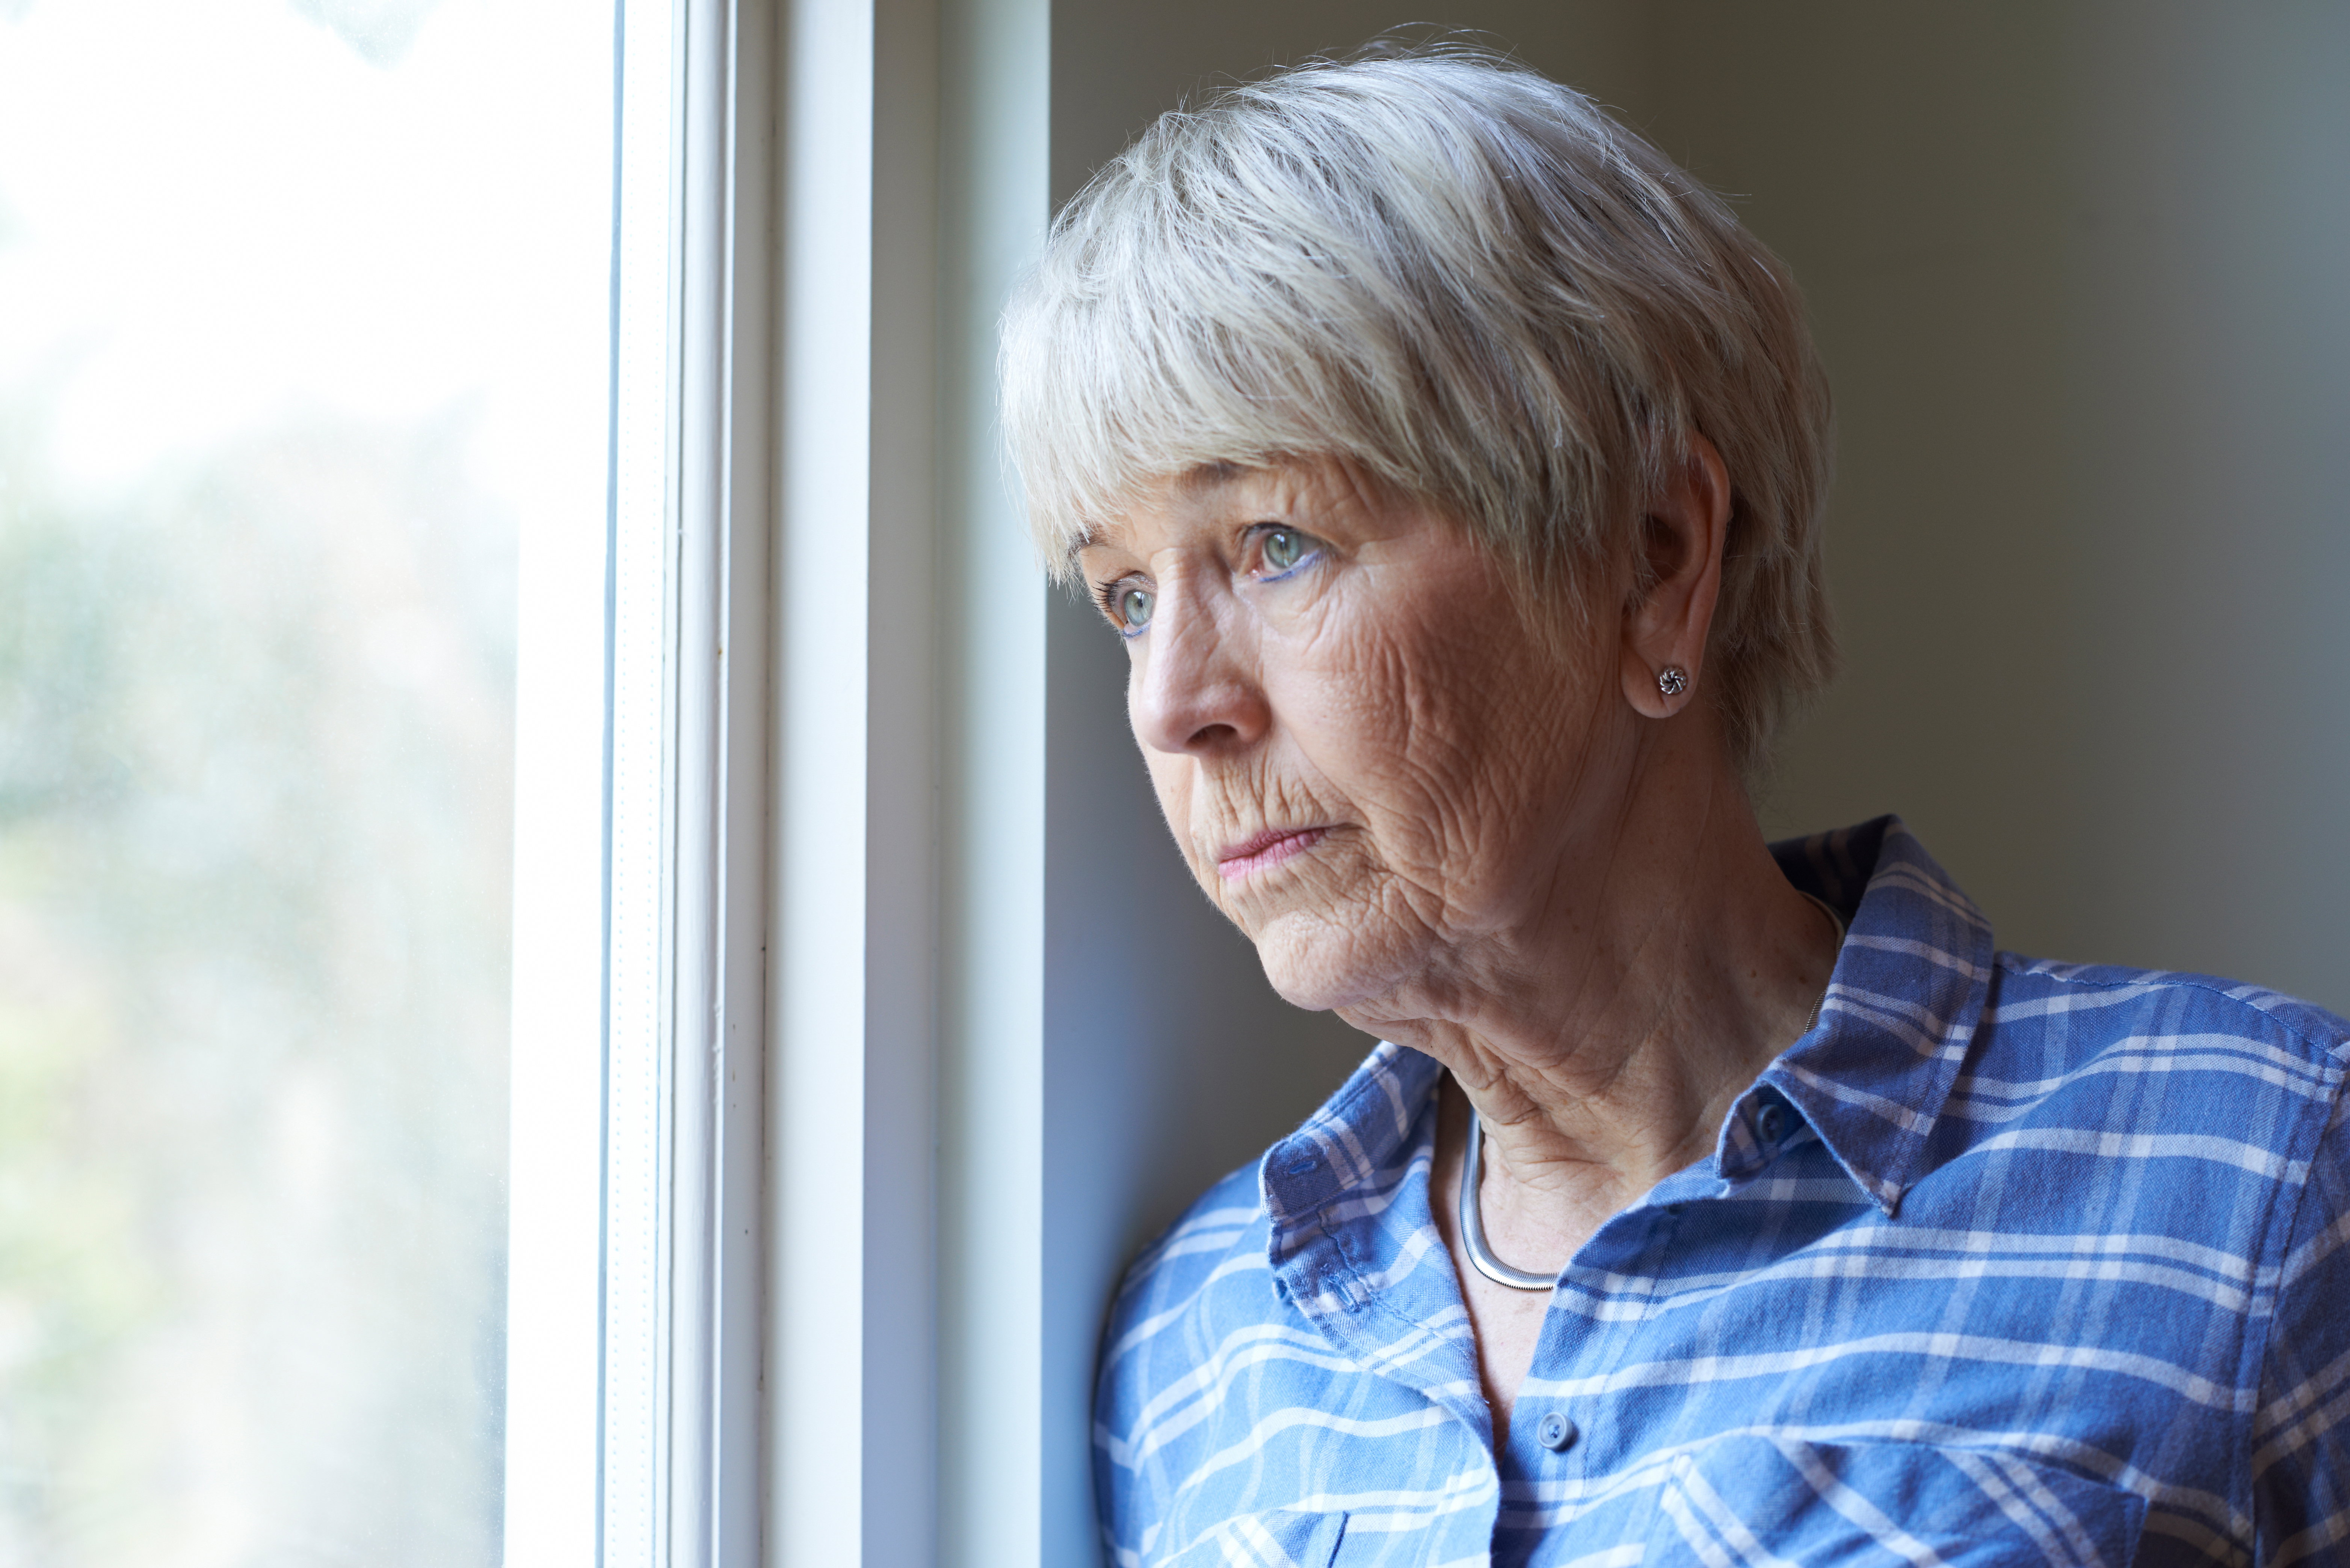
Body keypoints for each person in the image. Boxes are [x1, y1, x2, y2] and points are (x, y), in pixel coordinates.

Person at [999, 46, 2350, 1568]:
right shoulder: (1193, 1349)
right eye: (1123, 595)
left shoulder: (2266, 1174)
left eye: (1273, 543)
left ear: (1651, 561)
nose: (1172, 703)